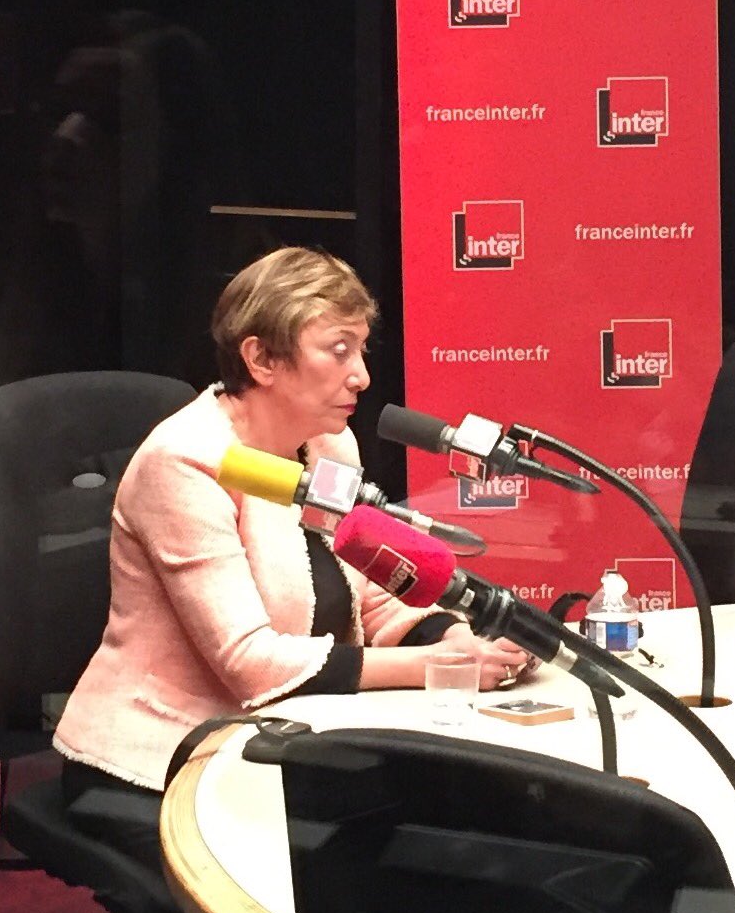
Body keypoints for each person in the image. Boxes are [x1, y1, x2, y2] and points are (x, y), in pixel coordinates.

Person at [52, 246, 528, 867]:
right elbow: (250, 665)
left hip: (283, 746)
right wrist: (433, 665)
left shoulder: (328, 444)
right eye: (338, 350)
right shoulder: (188, 461)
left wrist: (458, 639)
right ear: (261, 358)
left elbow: (372, 596)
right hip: (159, 765)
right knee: (330, 889)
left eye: (361, 349)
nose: (361, 375)